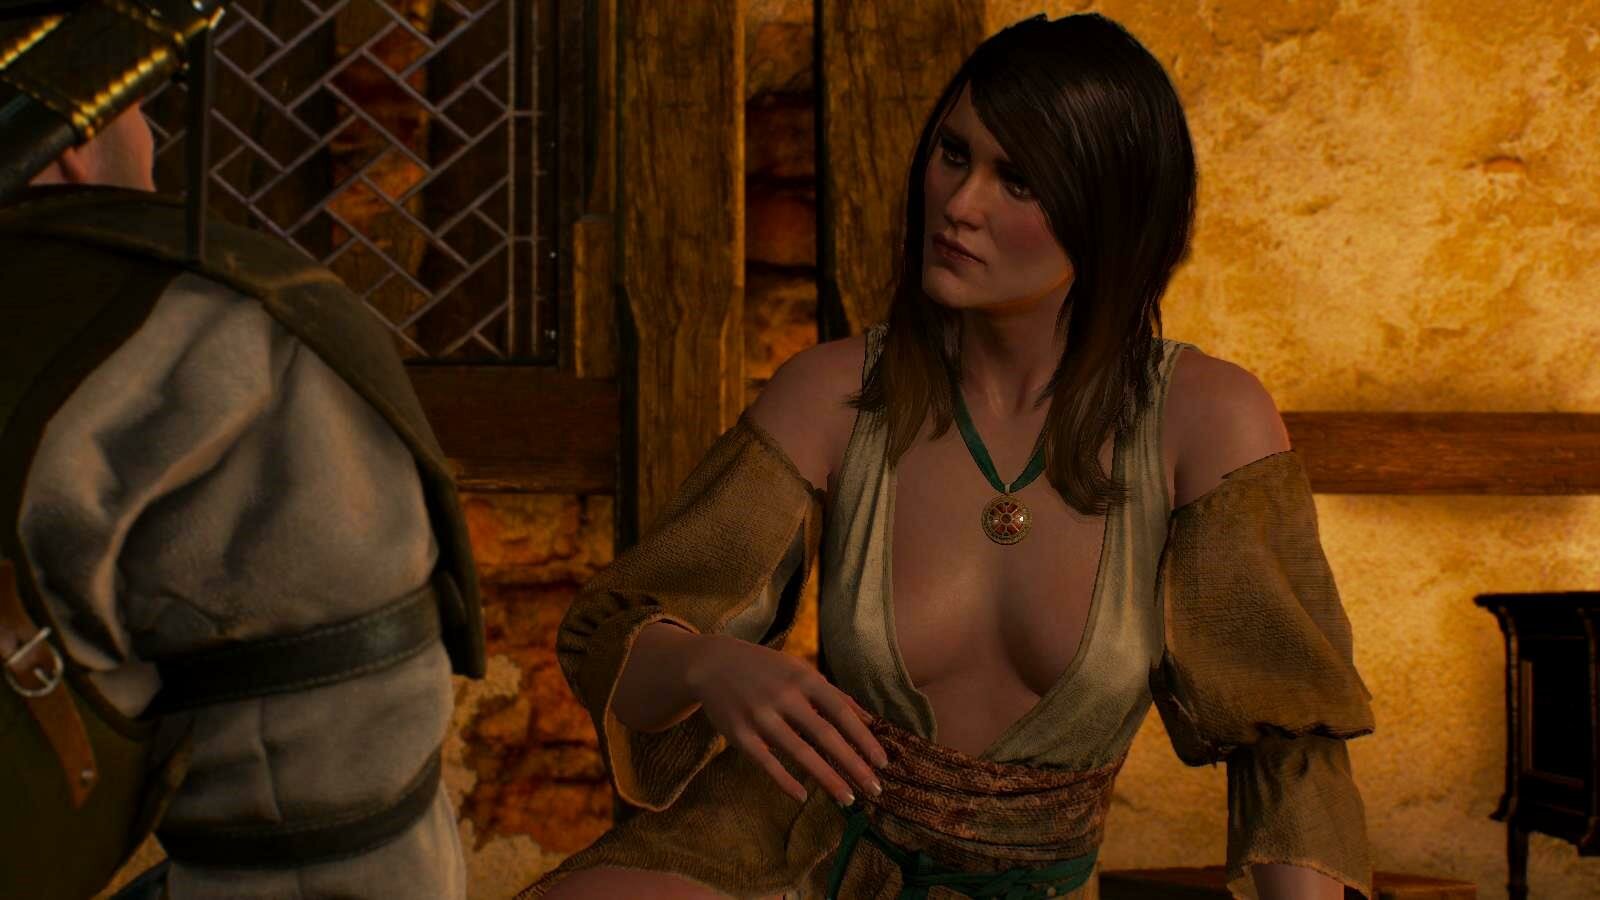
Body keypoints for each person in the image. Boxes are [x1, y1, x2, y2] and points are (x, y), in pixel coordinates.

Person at [521, 12, 1374, 900]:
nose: (961, 204)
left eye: (1019, 181)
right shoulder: (832, 393)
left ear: (1108, 213)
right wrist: (707, 662)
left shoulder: (1205, 418)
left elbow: (1289, 748)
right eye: (955, 154)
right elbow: (616, 633)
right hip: (790, 844)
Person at [0, 17, 484, 897]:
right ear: (74, 132)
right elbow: (340, 881)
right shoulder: (214, 355)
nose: (150, 143)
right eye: (140, 108)